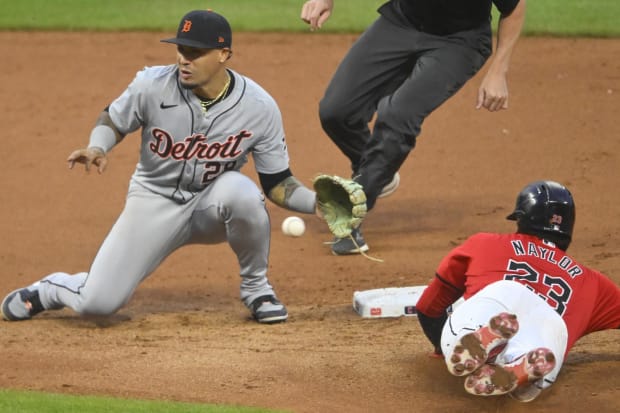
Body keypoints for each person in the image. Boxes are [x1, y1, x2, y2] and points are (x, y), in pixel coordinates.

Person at [1, 10, 319, 325]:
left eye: (196, 52)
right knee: (97, 303)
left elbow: (278, 183)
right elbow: (113, 118)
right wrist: (98, 145)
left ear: (224, 54)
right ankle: (47, 291)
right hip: (153, 201)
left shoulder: (259, 107)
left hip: (211, 204)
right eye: (182, 49)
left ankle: (257, 289)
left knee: (244, 194)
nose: (184, 59)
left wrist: (319, 203)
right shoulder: (152, 84)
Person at [300, 0, 526, 255]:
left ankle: (353, 209)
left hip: (459, 41)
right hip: (400, 23)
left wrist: (499, 69)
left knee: (397, 115)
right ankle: (377, 172)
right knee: (336, 111)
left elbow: (514, 8)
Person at [415, 180, 620, 401]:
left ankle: (478, 337)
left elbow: (428, 308)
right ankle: (521, 365)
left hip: (500, 298)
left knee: (469, 325)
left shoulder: (484, 243)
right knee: (547, 344)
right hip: (549, 322)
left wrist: (441, 348)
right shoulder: (593, 283)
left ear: (522, 218)